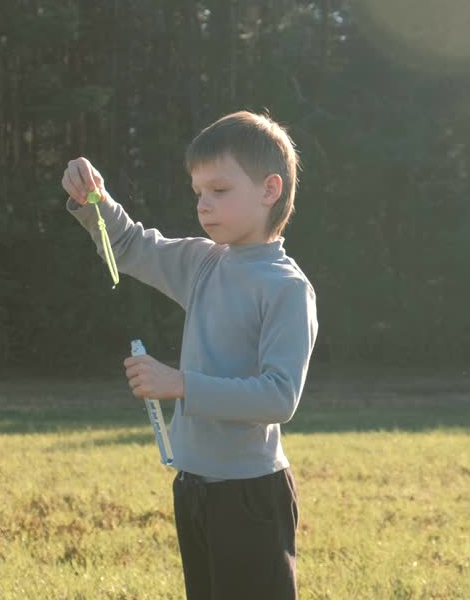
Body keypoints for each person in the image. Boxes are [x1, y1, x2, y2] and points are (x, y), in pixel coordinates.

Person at [62, 110, 319, 599]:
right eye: (198, 192)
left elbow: (279, 398)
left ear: (270, 190)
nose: (204, 205)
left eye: (219, 191)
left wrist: (180, 384)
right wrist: (93, 198)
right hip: (194, 487)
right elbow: (131, 245)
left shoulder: (287, 288)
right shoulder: (203, 262)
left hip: (250, 495)